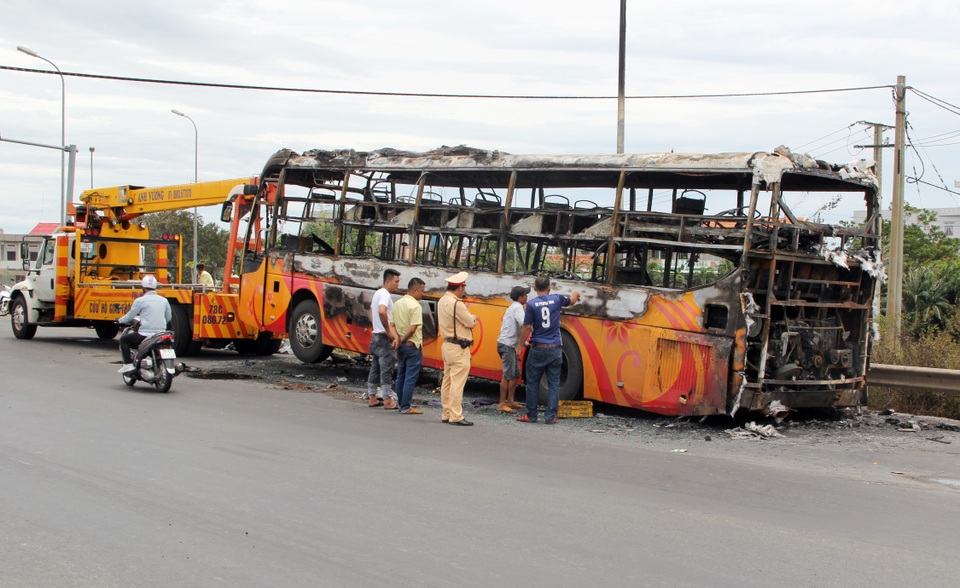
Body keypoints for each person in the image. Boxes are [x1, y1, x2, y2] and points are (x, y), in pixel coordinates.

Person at [517, 276, 580, 424]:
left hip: (538, 348)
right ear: (549, 287)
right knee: (553, 384)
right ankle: (551, 417)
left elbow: (526, 327)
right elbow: (571, 300)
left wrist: (520, 346)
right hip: (555, 349)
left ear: (534, 288)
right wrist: (576, 294)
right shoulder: (557, 299)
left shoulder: (531, 304)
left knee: (532, 382)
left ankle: (531, 415)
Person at [437, 271, 477, 426]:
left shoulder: (442, 301)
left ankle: (446, 413)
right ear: (460, 288)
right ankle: (456, 415)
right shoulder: (457, 304)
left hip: (447, 345)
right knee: (457, 383)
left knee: (447, 381)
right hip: (459, 347)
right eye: (464, 287)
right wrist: (473, 317)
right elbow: (470, 322)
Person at [117, 274, 173, 373]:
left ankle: (128, 365)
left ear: (143, 287)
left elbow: (130, 316)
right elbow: (168, 318)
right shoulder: (164, 300)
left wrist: (120, 320)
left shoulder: (140, 301)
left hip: (145, 334)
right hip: (161, 334)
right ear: (155, 286)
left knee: (124, 340)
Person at [366, 268, 401, 410]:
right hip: (383, 337)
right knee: (387, 369)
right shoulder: (385, 294)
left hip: (375, 335)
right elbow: (381, 310)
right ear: (387, 281)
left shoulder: (377, 293)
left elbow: (371, 311)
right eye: (396, 281)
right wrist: (387, 330)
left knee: (375, 367)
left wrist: (376, 325)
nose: (397, 285)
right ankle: (387, 399)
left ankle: (372, 397)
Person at [391, 277, 426, 415]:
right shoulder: (416, 306)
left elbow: (391, 325)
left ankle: (400, 404)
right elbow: (412, 329)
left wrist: (396, 339)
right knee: (410, 377)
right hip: (412, 345)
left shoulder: (398, 303)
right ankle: (406, 406)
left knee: (401, 375)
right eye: (422, 291)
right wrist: (402, 339)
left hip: (401, 346)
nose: (422, 294)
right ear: (415, 290)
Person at [497, 285, 530, 413]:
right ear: (520, 297)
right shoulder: (517, 307)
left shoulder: (514, 307)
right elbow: (524, 324)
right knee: (508, 375)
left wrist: (524, 343)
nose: (527, 297)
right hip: (507, 345)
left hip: (508, 344)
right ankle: (501, 403)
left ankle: (510, 400)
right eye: (525, 295)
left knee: (516, 374)